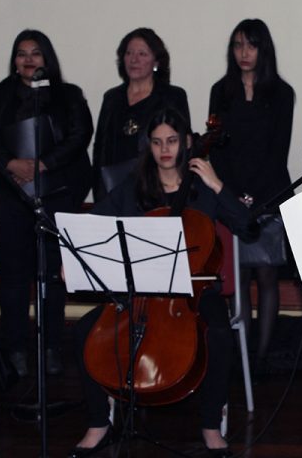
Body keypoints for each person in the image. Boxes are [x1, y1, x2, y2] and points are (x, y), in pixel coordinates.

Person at [68, 108, 252, 457]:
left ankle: (211, 424)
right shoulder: (135, 187)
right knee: (84, 331)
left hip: (197, 290)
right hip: (140, 292)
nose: (164, 149)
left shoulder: (204, 186)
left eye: (171, 141)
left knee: (218, 333)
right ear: (148, 146)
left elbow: (248, 227)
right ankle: (98, 422)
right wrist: (76, 255)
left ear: (185, 142)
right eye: (156, 142)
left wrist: (217, 184)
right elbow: (95, 226)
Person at [0, 29, 93, 377]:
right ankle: (14, 348)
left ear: (48, 59)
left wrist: (43, 163)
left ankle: (51, 346)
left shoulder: (68, 94)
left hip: (56, 191)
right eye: (22, 53)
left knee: (51, 274)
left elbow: (79, 135)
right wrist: (12, 164)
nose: (29, 60)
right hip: (11, 194)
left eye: (36, 53)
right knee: (12, 276)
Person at [208, 18, 294, 375]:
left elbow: (278, 150)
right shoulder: (220, 90)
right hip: (230, 194)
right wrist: (232, 193)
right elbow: (215, 147)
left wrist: (254, 196)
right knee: (238, 275)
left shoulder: (282, 93)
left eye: (251, 45)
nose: (244, 53)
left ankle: (261, 357)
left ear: (264, 49)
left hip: (269, 191)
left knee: (267, 274)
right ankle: (240, 355)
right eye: (238, 45)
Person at [92, 28, 190, 201]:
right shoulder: (111, 98)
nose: (134, 59)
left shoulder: (172, 96)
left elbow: (182, 146)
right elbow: (100, 149)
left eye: (142, 54)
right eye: (129, 53)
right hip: (114, 189)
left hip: (155, 188)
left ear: (156, 61)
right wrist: (99, 192)